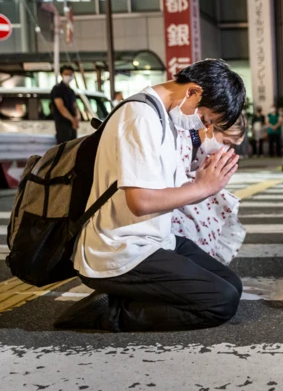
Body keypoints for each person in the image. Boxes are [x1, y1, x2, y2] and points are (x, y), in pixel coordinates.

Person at [55, 59, 245, 332]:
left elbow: (173, 191)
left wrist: (207, 182)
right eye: (206, 119)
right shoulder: (140, 116)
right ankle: (109, 312)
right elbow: (140, 202)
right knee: (221, 301)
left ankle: (128, 295)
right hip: (120, 248)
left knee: (232, 286)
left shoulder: (161, 116)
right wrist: (202, 187)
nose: (202, 127)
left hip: (154, 239)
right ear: (193, 92)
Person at [172, 118, 247, 265]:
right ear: (210, 127)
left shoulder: (198, 146)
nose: (226, 148)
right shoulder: (181, 138)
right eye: (226, 142)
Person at [51, 65, 81, 144]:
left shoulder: (71, 91)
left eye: (70, 74)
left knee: (73, 147)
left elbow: (75, 106)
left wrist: (77, 117)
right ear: (61, 74)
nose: (68, 76)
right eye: (66, 74)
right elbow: (61, 107)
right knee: (64, 149)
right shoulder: (57, 89)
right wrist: (73, 119)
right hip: (62, 125)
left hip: (72, 125)